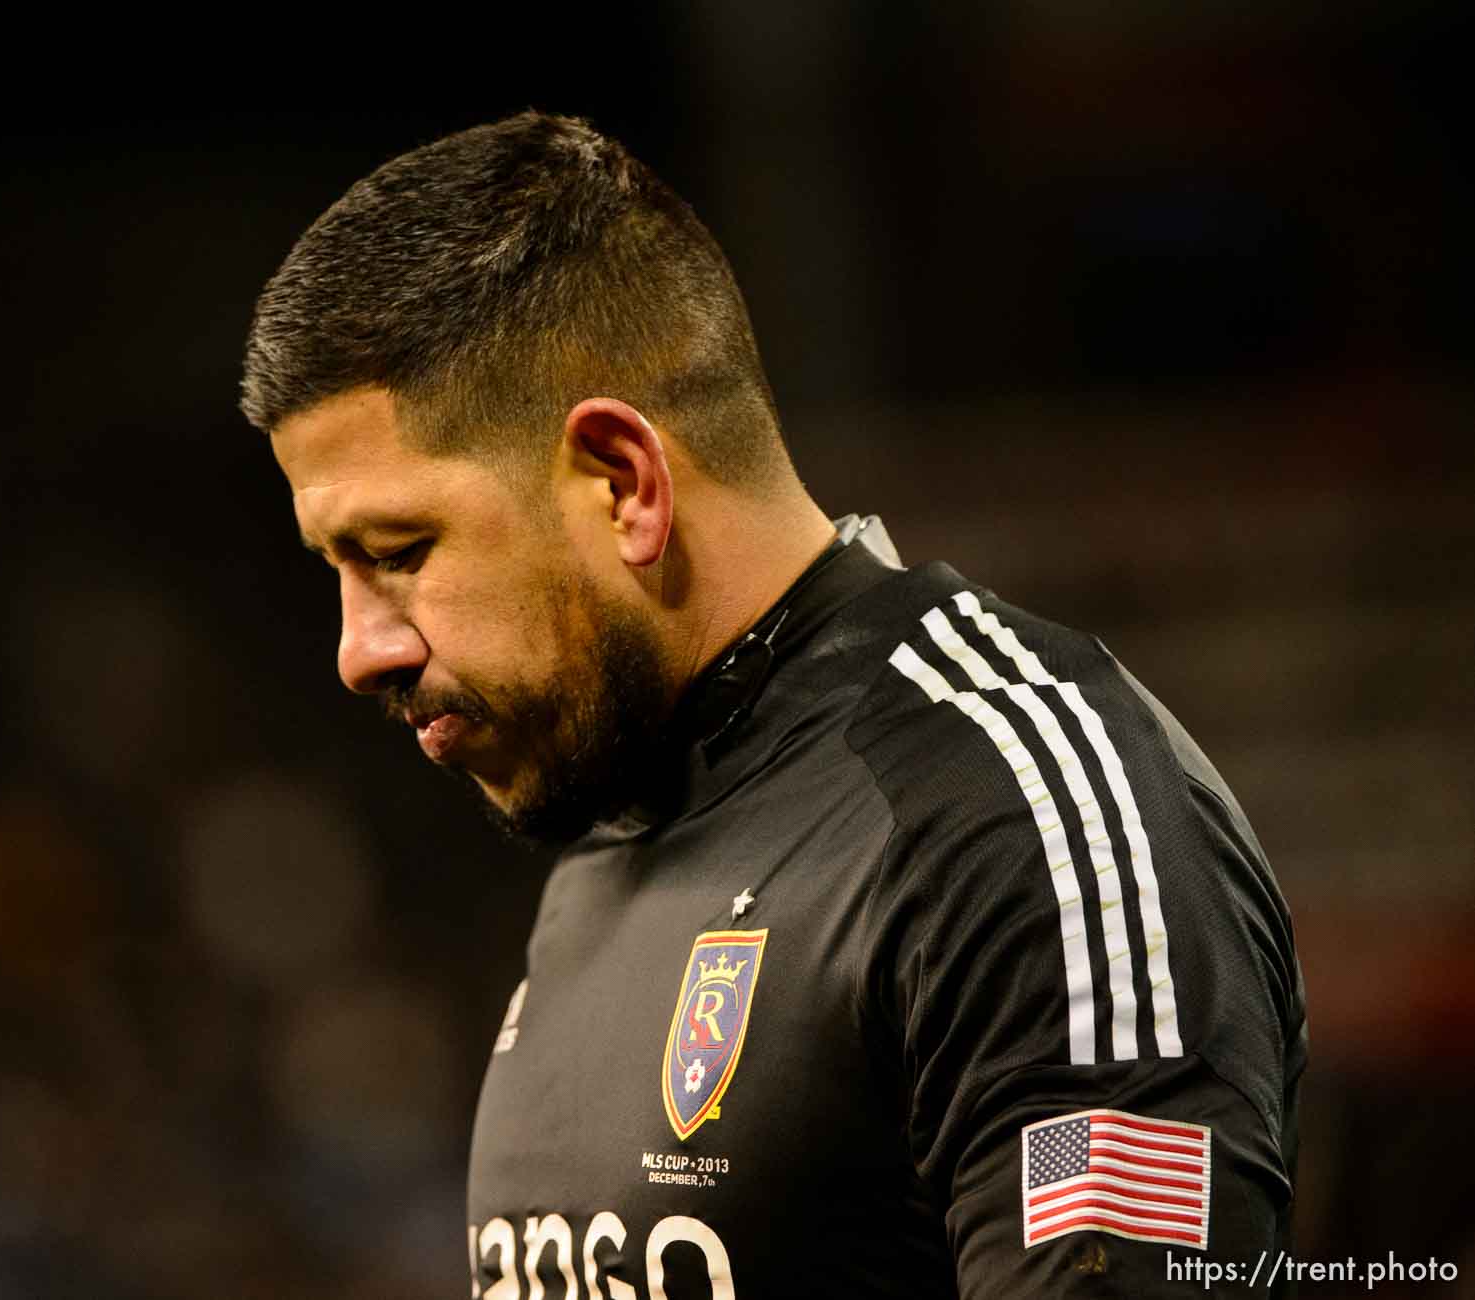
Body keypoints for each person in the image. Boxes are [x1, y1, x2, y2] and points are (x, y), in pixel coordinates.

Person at [242, 112, 1306, 1299]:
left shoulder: (1020, 821)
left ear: (623, 482)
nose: (355, 650)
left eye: (396, 547)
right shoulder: (609, 825)